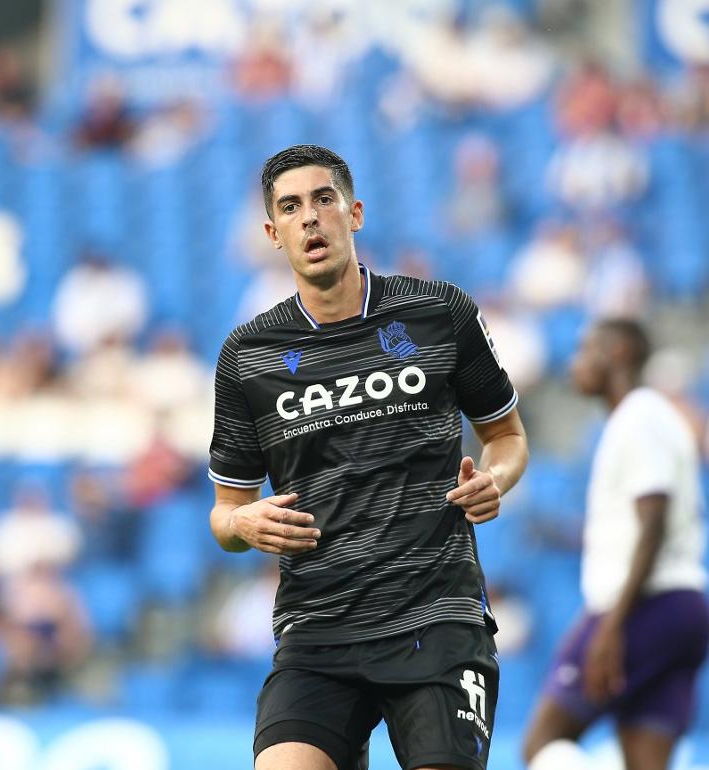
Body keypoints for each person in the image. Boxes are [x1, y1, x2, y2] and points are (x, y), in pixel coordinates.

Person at [208, 145, 529, 770]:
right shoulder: (248, 356)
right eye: (291, 208)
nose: (310, 219)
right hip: (318, 632)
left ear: (354, 213)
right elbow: (225, 515)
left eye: (323, 200)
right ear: (273, 234)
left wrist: (495, 478)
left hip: (435, 619)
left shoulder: (441, 313)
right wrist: (243, 524)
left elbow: (507, 436)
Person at [522, 319, 709, 770]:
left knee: (541, 745)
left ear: (621, 352)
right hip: (681, 607)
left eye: (587, 350)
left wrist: (610, 626)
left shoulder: (639, 416)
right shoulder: (642, 419)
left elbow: (653, 523)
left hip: (648, 605)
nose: (576, 363)